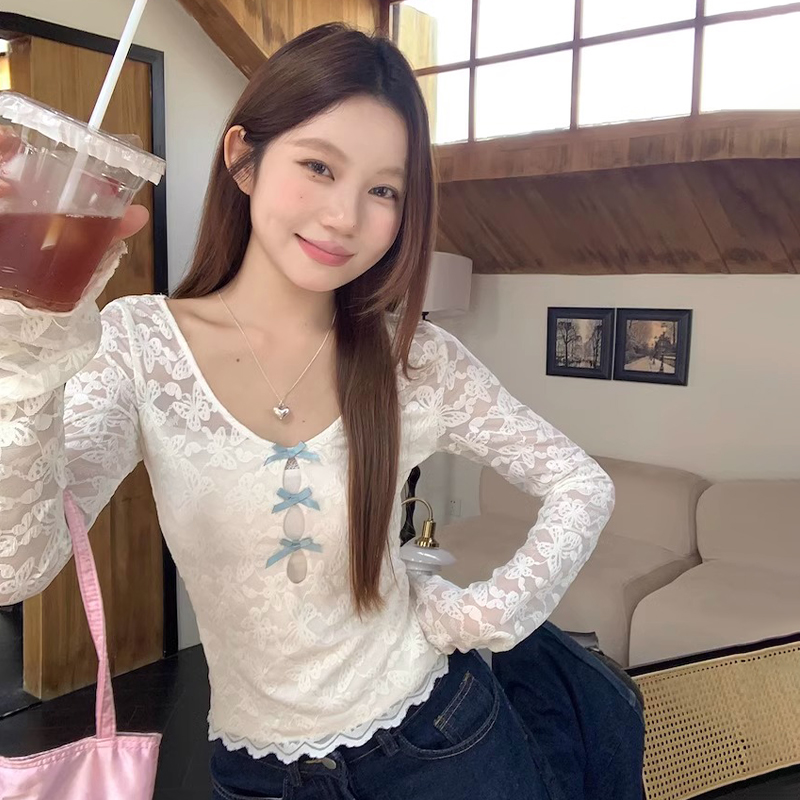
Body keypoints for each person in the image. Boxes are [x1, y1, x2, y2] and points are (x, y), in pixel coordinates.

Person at [0, 24, 643, 800]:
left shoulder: (415, 361)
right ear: (243, 158)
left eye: (383, 190)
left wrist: (487, 616)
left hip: (444, 742)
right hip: (256, 772)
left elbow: (580, 482)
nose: (344, 216)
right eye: (318, 166)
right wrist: (25, 357)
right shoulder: (139, 345)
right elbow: (16, 567)